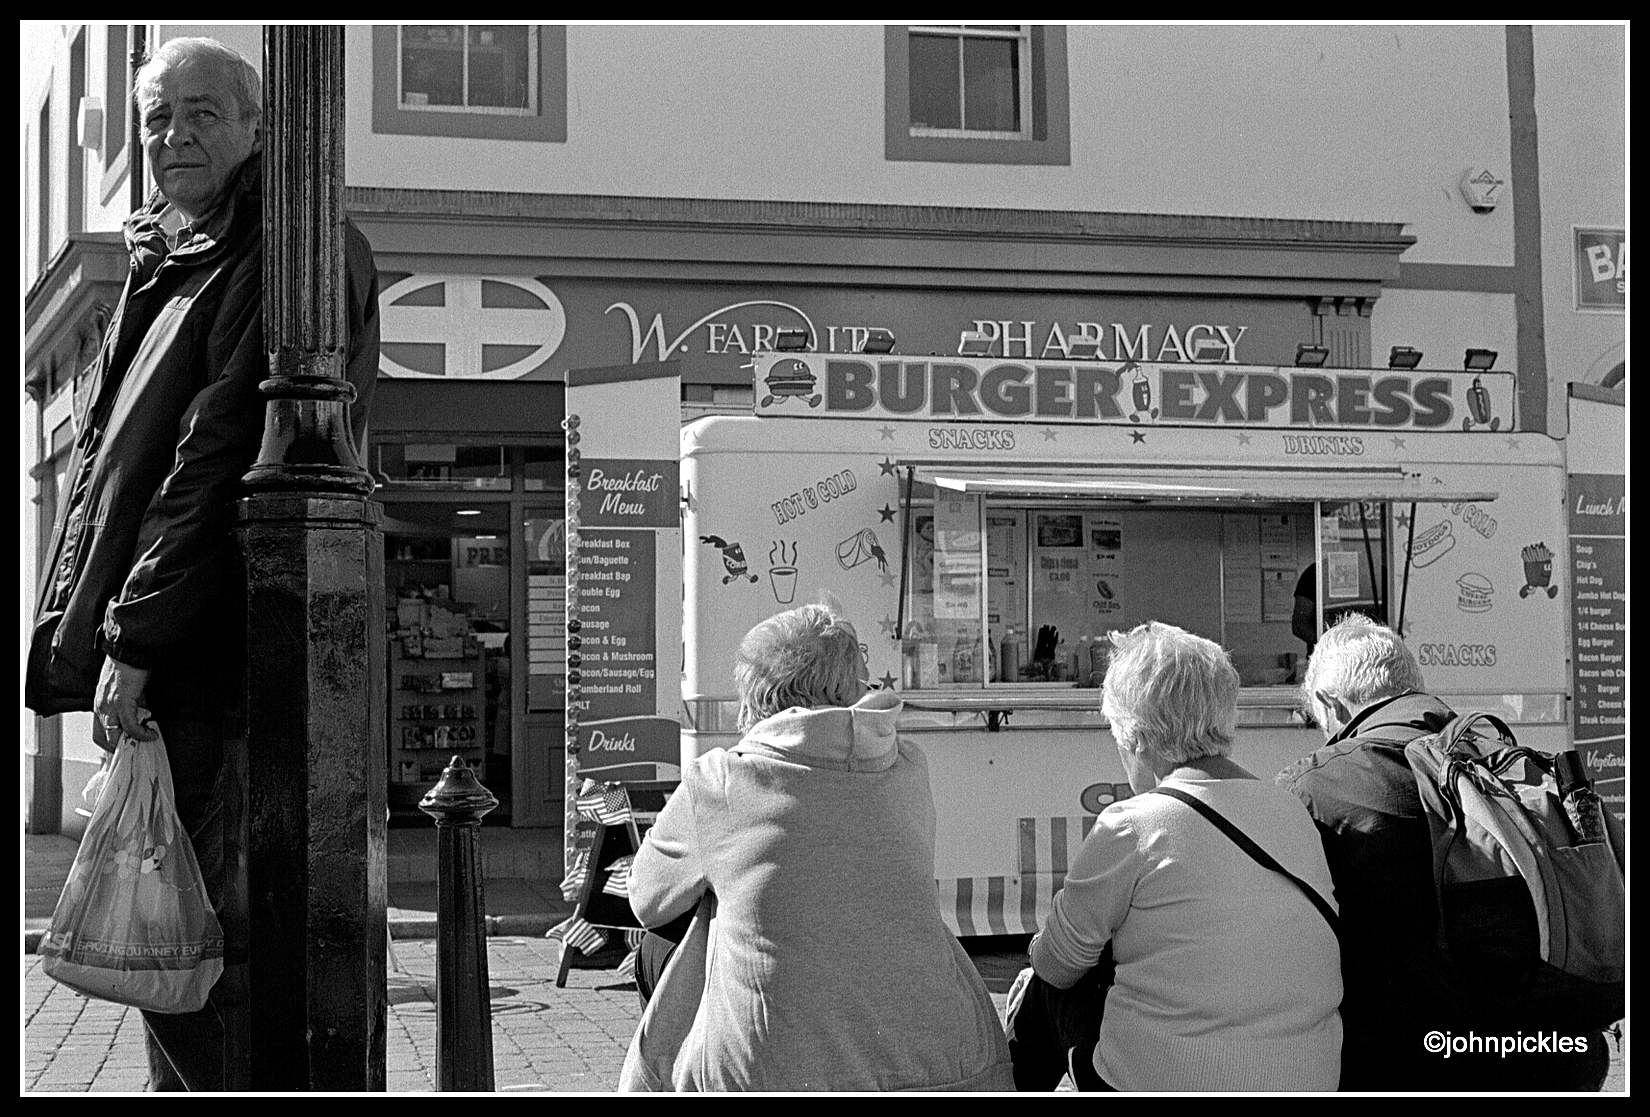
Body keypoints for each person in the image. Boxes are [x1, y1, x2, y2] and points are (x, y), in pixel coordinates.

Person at [24, 37, 380, 1091]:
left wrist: (134, 638)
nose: (173, 136)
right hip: (189, 660)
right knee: (171, 943)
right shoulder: (175, 253)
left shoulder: (286, 245)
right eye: (157, 118)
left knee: (204, 947)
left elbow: (210, 461)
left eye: (203, 114)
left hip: (225, 661)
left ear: (263, 128)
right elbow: (116, 472)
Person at [621, 603, 1014, 1091]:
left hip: (771, 1073)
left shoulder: (722, 780)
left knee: (669, 937)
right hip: (941, 1064)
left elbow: (647, 900)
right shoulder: (908, 767)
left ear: (757, 693)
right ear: (848, 687)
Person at [1276, 615, 1612, 1091]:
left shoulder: (1316, 785)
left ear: (1332, 703)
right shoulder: (1503, 763)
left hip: (1415, 1067)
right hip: (1557, 1057)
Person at [1007, 621, 1342, 1091]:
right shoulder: (1291, 810)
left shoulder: (1133, 824)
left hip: (1166, 1081)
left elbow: (1057, 963)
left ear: (1138, 739)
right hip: (1306, 1079)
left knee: (1045, 988)